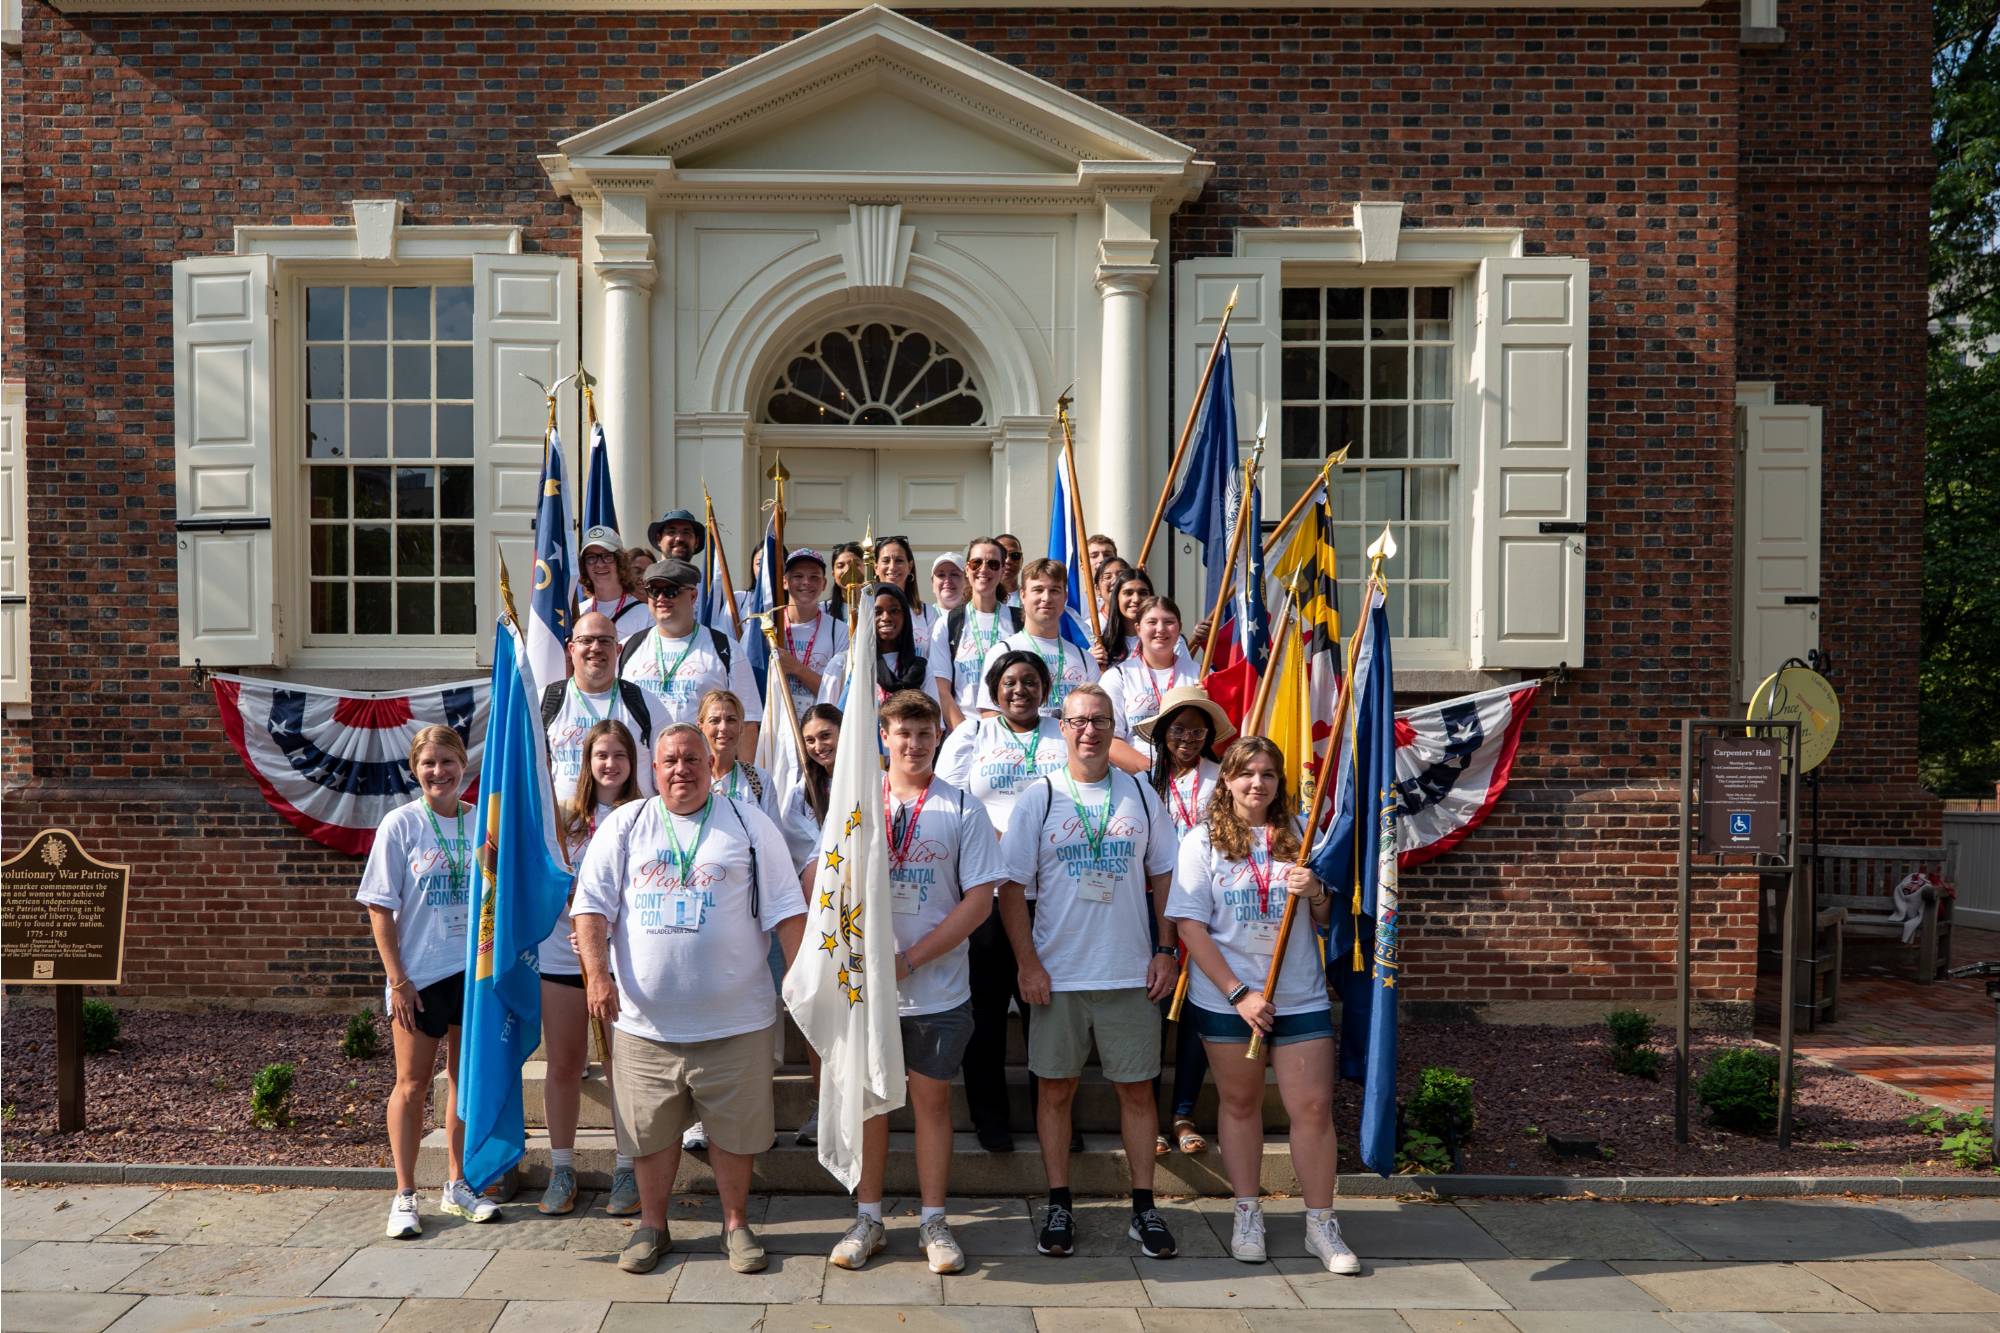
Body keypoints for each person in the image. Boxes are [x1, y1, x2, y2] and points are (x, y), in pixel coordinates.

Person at [572, 725, 807, 1276]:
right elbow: (590, 907)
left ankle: (736, 1225)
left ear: (711, 764)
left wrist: (799, 983)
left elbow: (787, 912)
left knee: (736, 1131)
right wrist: (597, 977)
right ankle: (652, 1227)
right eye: (671, 760)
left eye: (693, 759)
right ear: (654, 769)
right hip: (644, 1023)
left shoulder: (751, 826)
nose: (682, 769)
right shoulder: (627, 826)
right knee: (648, 1133)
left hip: (737, 1018)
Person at [997, 684, 1180, 1261]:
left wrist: (1166, 949)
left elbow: (1165, 878)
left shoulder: (1142, 795)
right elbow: (1009, 889)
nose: (1089, 732)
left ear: (1113, 727)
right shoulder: (1040, 797)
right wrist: (1027, 964)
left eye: (1100, 721)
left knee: (1137, 1090)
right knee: (1054, 1091)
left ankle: (1144, 1208)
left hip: (1129, 973)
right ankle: (1058, 1203)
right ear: (1062, 726)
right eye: (1078, 721)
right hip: (1058, 976)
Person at [1164, 737, 1358, 1276]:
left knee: (1313, 1109)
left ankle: (1321, 1222)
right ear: (1226, 780)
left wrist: (1317, 890)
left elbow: (1326, 923)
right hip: (1228, 999)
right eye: (1246, 773)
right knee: (1241, 1105)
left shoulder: (1302, 834)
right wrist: (1238, 994)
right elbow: (1189, 926)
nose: (1258, 783)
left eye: (1269, 774)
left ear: (1280, 783)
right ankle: (1247, 1213)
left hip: (1298, 994)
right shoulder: (1201, 841)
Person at [827, 690, 1000, 1276]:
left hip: (938, 989)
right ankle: (868, 1217)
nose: (914, 745)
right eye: (903, 734)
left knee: (931, 1104)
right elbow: (829, 882)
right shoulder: (859, 800)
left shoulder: (962, 807)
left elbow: (979, 900)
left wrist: (913, 958)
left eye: (925, 734)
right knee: (871, 1105)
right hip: (866, 991)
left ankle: (933, 1219)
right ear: (884, 737)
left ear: (938, 738)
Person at [358, 724, 494, 1238]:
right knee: (412, 1085)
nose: (439, 772)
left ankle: (458, 1183)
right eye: (428, 764)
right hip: (419, 976)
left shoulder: (481, 823)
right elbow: (379, 908)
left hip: (471, 972)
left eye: (448, 761)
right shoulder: (400, 825)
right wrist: (398, 980)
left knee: (463, 1081)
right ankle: (405, 1194)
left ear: (464, 765)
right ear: (415, 770)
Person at [936, 650, 1067, 1151]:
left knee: (1047, 1012)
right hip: (988, 894)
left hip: (1053, 894)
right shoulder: (973, 735)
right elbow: (951, 801)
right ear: (994, 690)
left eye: (1030, 681)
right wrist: (1001, 840)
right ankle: (991, 1120)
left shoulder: (1062, 733)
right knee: (987, 1013)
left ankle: (1051, 1116)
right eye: (1010, 682)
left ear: (1045, 688)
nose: (1020, 690)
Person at [539, 719, 644, 1218]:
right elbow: (544, 881)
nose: (610, 764)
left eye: (619, 755)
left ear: (632, 762)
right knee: (563, 1064)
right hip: (563, 957)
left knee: (622, 1068)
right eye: (601, 755)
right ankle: (562, 1167)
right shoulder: (565, 819)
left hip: (621, 961)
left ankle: (627, 1167)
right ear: (586, 762)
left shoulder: (645, 816)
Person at [1134, 685, 1235, 1158]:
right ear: (1161, 735)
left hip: (1204, 907)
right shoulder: (1142, 784)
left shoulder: (1222, 779)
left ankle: (1183, 1114)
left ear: (1209, 734)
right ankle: (1148, 1119)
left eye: (1197, 730)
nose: (1187, 739)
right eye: (1177, 730)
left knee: (1196, 1014)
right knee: (1149, 1014)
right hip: (1148, 908)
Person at [621, 559, 761, 759]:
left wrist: (745, 780)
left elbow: (747, 723)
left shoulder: (726, 649)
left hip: (702, 776)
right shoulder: (627, 647)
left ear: (693, 595)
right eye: (653, 590)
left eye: (671, 591)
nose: (661, 598)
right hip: (640, 776)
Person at [544, 612, 668, 798]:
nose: (596, 648)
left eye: (605, 641)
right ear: (571, 649)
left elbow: (666, 772)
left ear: (618, 650)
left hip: (632, 823)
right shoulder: (544, 703)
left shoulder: (647, 704)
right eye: (586, 640)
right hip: (565, 825)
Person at [973, 558, 1104, 721]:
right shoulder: (1002, 652)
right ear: (1023, 595)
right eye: (1038, 589)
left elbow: (1098, 713)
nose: (1046, 598)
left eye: (1055, 590)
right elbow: (990, 715)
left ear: (1065, 597)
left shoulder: (1085, 659)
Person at [929, 537, 1023, 732]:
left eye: (993, 564)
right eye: (976, 562)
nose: (984, 569)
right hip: (964, 731)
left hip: (1011, 732)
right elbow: (942, 690)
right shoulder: (948, 623)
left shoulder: (1018, 621)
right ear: (967, 569)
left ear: (1002, 571)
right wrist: (966, 733)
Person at [1105, 598, 1202, 760]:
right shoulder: (1117, 676)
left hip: (1187, 776)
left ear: (1179, 628)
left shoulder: (1198, 673)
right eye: (1152, 622)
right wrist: (1155, 773)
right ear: (1138, 628)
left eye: (1169, 622)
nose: (1161, 629)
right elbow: (1110, 741)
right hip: (1137, 778)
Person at [816, 584, 939, 707]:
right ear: (866, 616)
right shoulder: (844, 664)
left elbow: (934, 722)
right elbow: (824, 720)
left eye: (894, 611)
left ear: (905, 616)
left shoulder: (920, 669)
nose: (886, 618)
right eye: (877, 612)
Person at [771, 549, 848, 723]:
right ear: (785, 581)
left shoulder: (839, 631)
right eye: (798, 576)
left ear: (824, 584)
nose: (806, 582)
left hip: (820, 732)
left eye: (814, 577)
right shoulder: (768, 627)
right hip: (775, 729)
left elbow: (840, 693)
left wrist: (796, 668)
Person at [578, 526, 651, 644]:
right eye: (591, 558)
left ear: (620, 562)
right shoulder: (579, 613)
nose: (600, 564)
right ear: (584, 566)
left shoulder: (646, 614)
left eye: (607, 556)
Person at [874, 535, 938, 645]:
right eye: (886, 560)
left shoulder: (929, 614)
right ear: (876, 568)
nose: (892, 567)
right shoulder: (865, 611)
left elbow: (935, 659)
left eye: (899, 560)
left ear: (910, 566)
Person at [1094, 567, 1156, 670]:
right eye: (1128, 593)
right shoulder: (1102, 644)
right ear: (1116, 598)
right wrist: (1091, 664)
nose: (1136, 599)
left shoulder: (1167, 639)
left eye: (1143, 593)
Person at [824, 542, 865, 623]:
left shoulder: (876, 606)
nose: (848, 570)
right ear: (833, 574)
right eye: (840, 566)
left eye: (856, 564)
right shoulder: (823, 609)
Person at [1093, 556, 1134, 626]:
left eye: (1121, 575)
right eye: (1108, 577)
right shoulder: (1089, 628)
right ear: (1098, 589)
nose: (1115, 581)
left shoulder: (1144, 624)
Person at [994, 533, 1024, 607]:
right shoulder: (980, 598)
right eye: (1002, 555)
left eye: (1015, 556)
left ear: (1021, 560)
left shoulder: (1031, 598)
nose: (1008, 561)